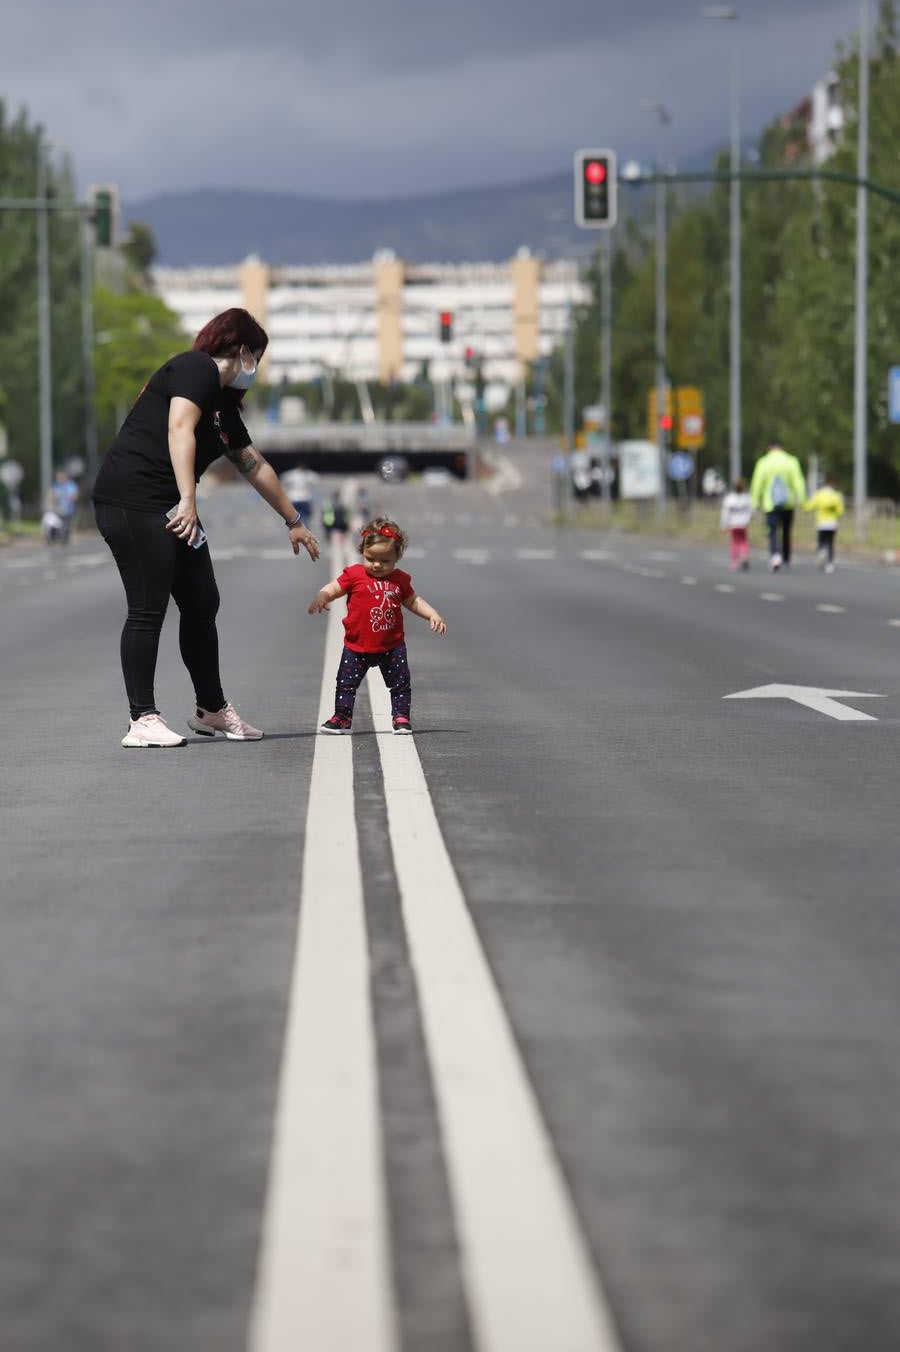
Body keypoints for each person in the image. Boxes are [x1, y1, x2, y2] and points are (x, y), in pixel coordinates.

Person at [91, 308, 321, 749]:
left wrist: (294, 521)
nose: (257, 368)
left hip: (171, 504)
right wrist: (189, 499)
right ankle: (142, 718)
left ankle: (211, 709)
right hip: (133, 499)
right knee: (148, 606)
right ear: (244, 351)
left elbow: (254, 466)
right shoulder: (194, 368)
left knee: (202, 601)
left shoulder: (222, 407)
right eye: (258, 358)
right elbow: (179, 429)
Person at [307, 516, 446, 735]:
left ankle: (401, 718)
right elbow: (335, 588)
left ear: (397, 557)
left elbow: (413, 601)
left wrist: (432, 614)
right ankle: (342, 718)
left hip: (391, 646)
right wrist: (322, 596)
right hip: (356, 646)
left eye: (385, 560)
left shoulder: (399, 579)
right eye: (371, 558)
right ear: (362, 551)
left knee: (400, 684)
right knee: (345, 684)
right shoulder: (354, 574)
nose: (377, 565)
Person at [749, 438, 807, 571]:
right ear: (782, 447)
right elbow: (798, 482)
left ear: (769, 448)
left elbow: (757, 483)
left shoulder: (764, 462)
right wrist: (803, 500)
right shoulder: (791, 461)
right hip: (788, 503)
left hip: (770, 504)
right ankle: (786, 557)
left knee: (772, 531)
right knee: (786, 531)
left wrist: (755, 502)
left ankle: (775, 555)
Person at [803, 473, 845, 573]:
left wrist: (804, 506)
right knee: (830, 543)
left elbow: (809, 507)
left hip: (821, 523)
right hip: (832, 523)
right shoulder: (836, 496)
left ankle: (821, 551)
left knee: (821, 542)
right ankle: (830, 564)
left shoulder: (819, 494)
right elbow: (840, 511)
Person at [719, 474, 753, 572]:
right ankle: (745, 556)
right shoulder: (747, 498)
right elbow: (752, 510)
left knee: (734, 543)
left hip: (733, 525)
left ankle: (734, 562)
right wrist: (750, 518)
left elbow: (725, 513)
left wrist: (723, 525)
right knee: (744, 541)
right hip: (743, 524)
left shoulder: (729, 499)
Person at [44, 468, 79, 543]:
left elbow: (74, 496)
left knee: (66, 525)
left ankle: (65, 537)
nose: (59, 479)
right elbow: (51, 495)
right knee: (51, 521)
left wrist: (69, 497)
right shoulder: (56, 486)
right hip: (58, 509)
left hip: (68, 510)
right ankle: (52, 536)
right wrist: (51, 500)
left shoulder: (71, 485)